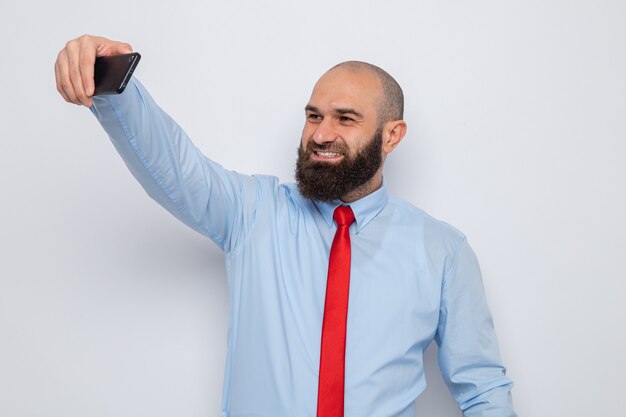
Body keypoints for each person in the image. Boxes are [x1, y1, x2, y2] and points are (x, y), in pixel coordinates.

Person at [55, 35, 517, 417]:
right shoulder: (253, 213)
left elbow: (483, 391)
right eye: (314, 115)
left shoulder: (443, 252)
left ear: (392, 136)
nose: (320, 133)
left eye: (346, 119)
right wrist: (115, 86)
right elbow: (175, 168)